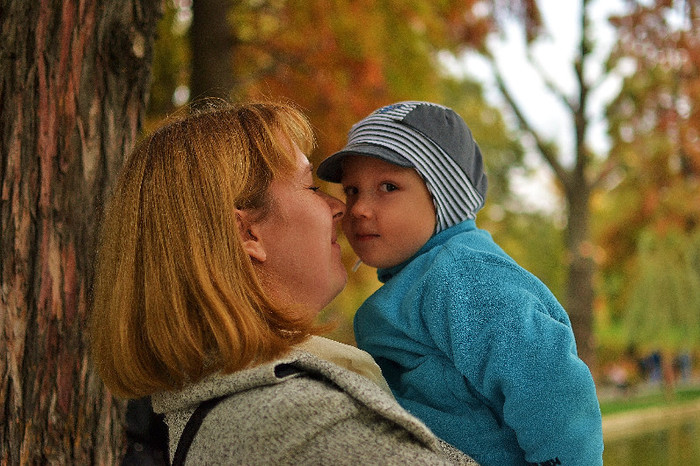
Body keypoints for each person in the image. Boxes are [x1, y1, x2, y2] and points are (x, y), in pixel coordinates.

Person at [89, 101, 477, 465]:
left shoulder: (225, 408)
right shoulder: (304, 421)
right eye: (310, 186)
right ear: (246, 233)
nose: (340, 206)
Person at [317, 101, 604, 466]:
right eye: (352, 190)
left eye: (388, 187)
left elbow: (551, 387)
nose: (357, 208)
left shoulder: (464, 276)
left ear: (444, 198)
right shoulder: (420, 280)